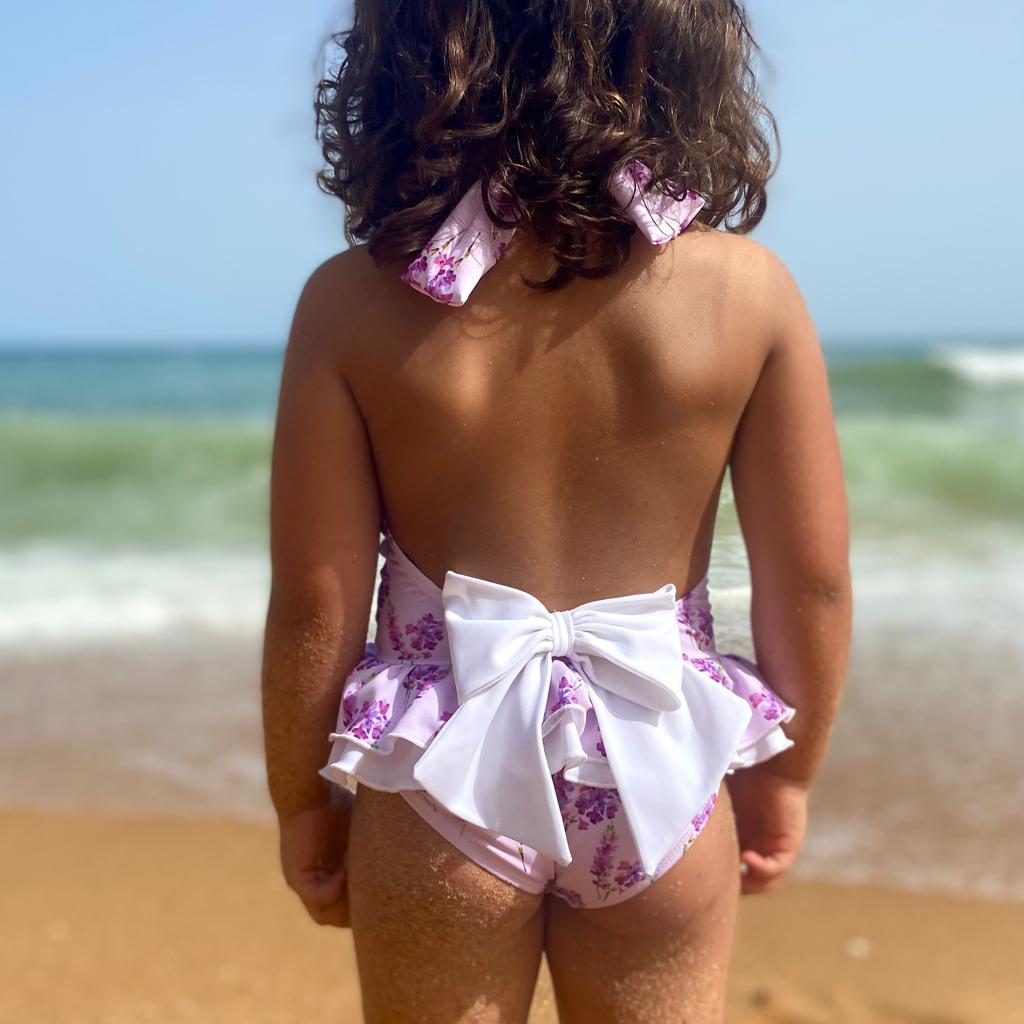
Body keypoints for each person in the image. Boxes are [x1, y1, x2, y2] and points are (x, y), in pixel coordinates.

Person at [261, 1, 852, 1020]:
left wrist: (302, 796)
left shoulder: (352, 304)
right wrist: (788, 775)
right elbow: (813, 581)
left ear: (409, 60)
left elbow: (318, 601)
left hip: (438, 769)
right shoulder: (747, 292)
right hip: (660, 765)